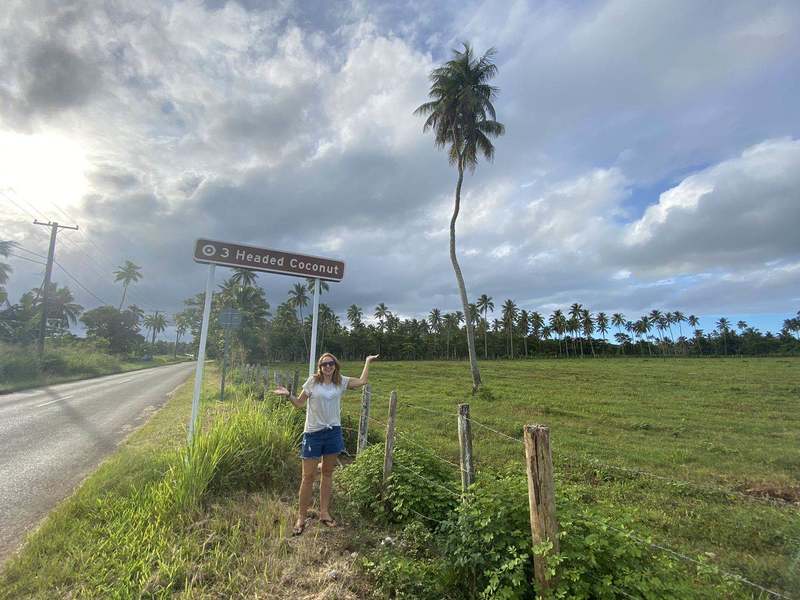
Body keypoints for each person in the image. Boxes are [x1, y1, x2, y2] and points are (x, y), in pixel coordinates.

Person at [273, 352, 379, 535]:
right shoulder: (312, 382)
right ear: (320, 367)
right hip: (313, 434)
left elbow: (362, 381)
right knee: (308, 477)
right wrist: (288, 395)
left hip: (333, 433)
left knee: (328, 473)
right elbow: (299, 403)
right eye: (324, 364)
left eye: (331, 364)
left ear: (335, 365)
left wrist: (367, 362)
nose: (328, 367)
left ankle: (324, 513)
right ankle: (301, 517)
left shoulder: (341, 381)